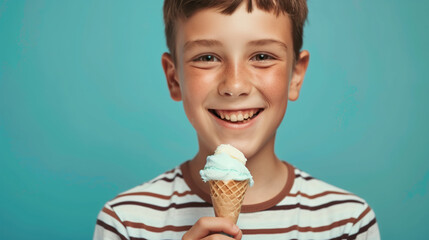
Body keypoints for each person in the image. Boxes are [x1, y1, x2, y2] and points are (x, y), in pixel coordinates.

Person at [93, 0, 380, 239]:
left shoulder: (348, 222)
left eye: (262, 56)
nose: (235, 84)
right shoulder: (126, 222)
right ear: (173, 78)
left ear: (296, 75)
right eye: (206, 58)